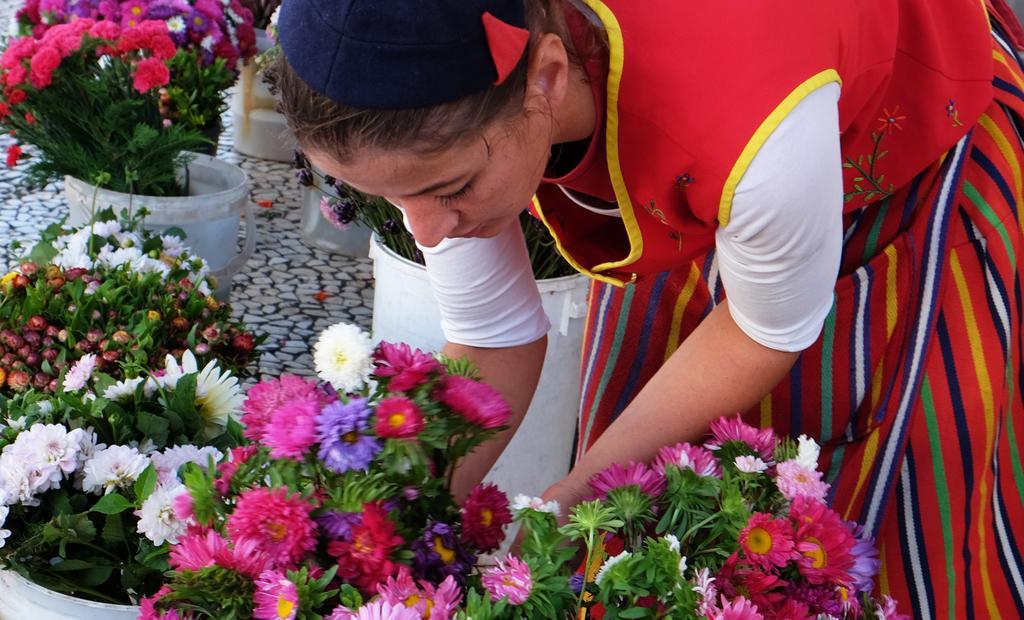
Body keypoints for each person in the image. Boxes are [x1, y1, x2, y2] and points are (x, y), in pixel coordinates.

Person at [273, 0, 1024, 615]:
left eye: (449, 191)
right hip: (711, 148)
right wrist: (398, 527)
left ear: (549, 76)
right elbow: (495, 335)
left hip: (896, 133)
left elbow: (766, 329)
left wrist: (577, 494)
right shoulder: (443, 73)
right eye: (390, 199)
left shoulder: (752, 120)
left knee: (874, 509)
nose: (422, 230)